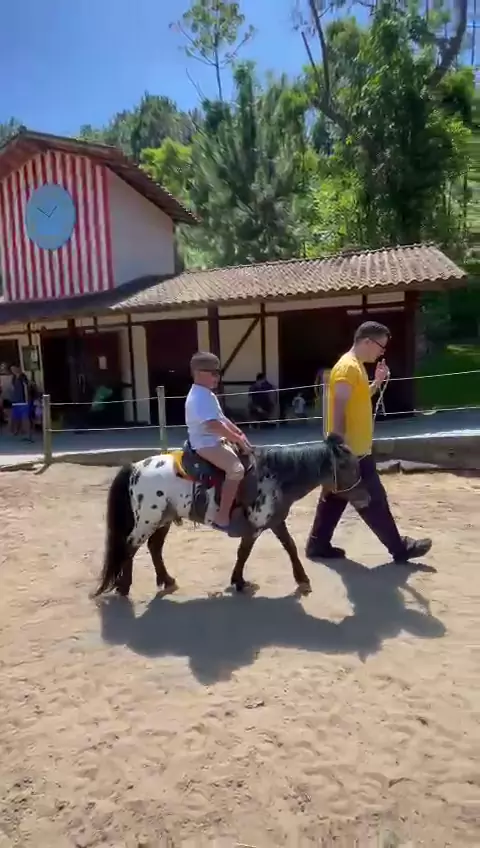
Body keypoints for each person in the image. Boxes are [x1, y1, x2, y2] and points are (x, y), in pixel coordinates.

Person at [306, 321, 432, 563]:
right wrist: (338, 446)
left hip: (352, 450)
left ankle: (317, 545)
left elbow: (359, 396)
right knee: (374, 501)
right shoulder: (347, 368)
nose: (382, 352)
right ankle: (400, 548)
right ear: (366, 341)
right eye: (380, 346)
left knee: (334, 498)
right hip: (352, 453)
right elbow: (339, 406)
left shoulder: (356, 367)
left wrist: (376, 382)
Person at [185, 351, 253, 531]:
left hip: (214, 440)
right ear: (199, 373)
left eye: (218, 373)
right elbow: (212, 425)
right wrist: (236, 439)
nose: (217, 377)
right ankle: (222, 517)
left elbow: (222, 419)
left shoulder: (208, 394)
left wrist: (239, 433)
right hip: (205, 444)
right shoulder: (199, 397)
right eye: (213, 373)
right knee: (236, 470)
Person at [10, 364, 33, 441]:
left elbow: (26, 387)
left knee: (25, 416)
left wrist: (27, 398)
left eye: (14, 369)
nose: (13, 371)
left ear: (18, 368)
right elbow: (13, 387)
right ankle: (17, 430)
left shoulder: (23, 377)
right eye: (12, 369)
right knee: (16, 416)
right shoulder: (13, 377)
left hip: (23, 399)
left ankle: (26, 431)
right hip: (16, 399)